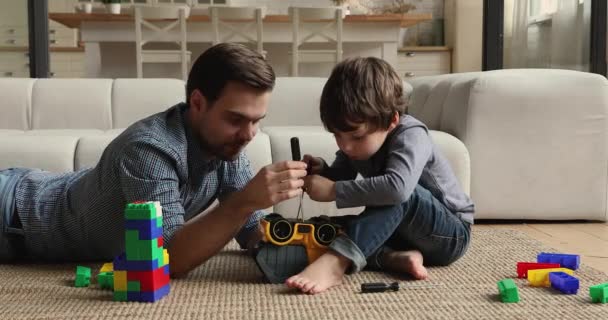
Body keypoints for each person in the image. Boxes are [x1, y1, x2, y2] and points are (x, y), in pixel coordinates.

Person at [0, 43, 308, 278]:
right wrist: (243, 203)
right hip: (13, 214)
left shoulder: (226, 146)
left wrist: (307, 248)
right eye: (236, 119)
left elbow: (252, 231)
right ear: (198, 102)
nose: (248, 134)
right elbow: (167, 259)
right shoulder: (149, 150)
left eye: (256, 121)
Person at [285, 57, 475, 294]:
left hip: (449, 234)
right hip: (402, 231)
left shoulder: (411, 134)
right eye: (337, 135)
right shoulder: (354, 145)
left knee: (396, 195)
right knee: (328, 229)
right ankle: (392, 258)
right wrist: (323, 170)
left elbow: (398, 189)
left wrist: (333, 191)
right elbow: (342, 174)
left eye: (356, 137)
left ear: (392, 120)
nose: (346, 146)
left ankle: (337, 261)